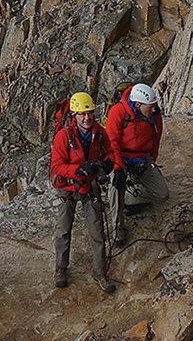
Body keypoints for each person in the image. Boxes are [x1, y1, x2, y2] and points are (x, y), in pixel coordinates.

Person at [49, 91, 116, 292]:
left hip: (89, 186)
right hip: (67, 187)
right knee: (63, 229)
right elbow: (56, 166)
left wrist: (108, 166)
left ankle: (100, 272)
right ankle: (60, 268)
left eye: (89, 113)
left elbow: (110, 152)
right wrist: (78, 170)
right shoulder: (64, 136)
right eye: (82, 114)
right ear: (74, 115)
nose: (86, 118)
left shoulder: (99, 133)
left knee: (97, 231)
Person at [102, 82, 171, 241]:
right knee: (115, 185)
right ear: (138, 104)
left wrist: (152, 158)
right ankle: (118, 229)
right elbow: (112, 141)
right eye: (150, 106)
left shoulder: (154, 115)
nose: (154, 109)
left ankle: (127, 197)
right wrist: (118, 166)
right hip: (121, 157)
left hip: (141, 158)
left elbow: (156, 136)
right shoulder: (118, 112)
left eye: (155, 105)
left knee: (163, 194)